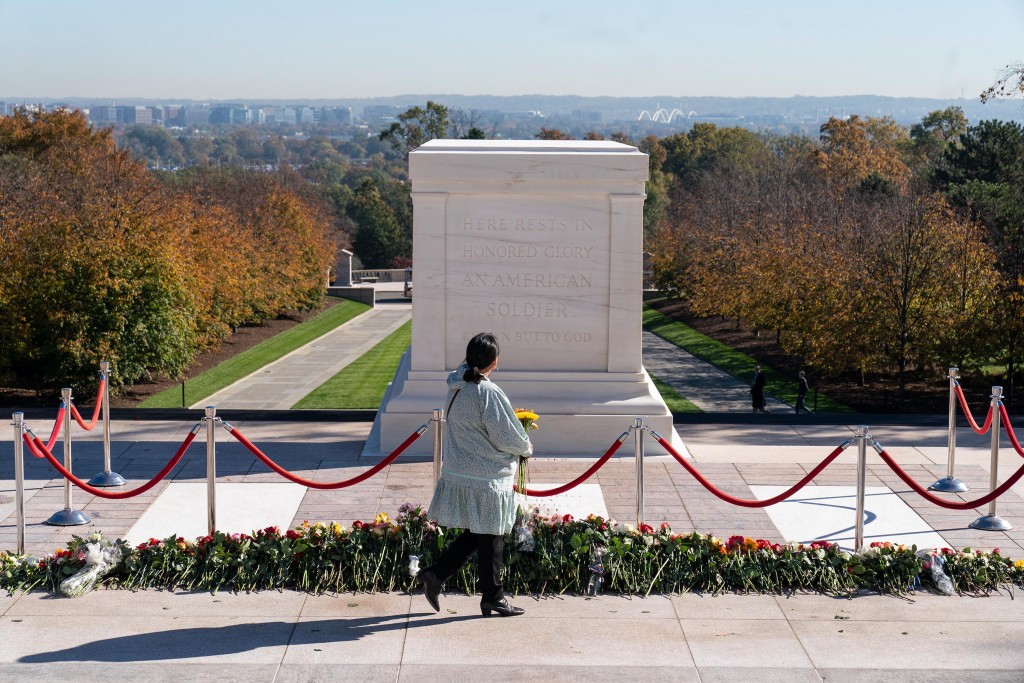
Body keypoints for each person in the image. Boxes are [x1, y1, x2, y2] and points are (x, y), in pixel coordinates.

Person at [417, 332, 533, 617]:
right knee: (491, 535)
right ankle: (493, 596)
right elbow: (505, 434)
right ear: (494, 361)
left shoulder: (458, 384)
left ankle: (436, 575)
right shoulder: (486, 391)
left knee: (479, 532)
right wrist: (526, 447)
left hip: (463, 470)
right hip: (487, 475)